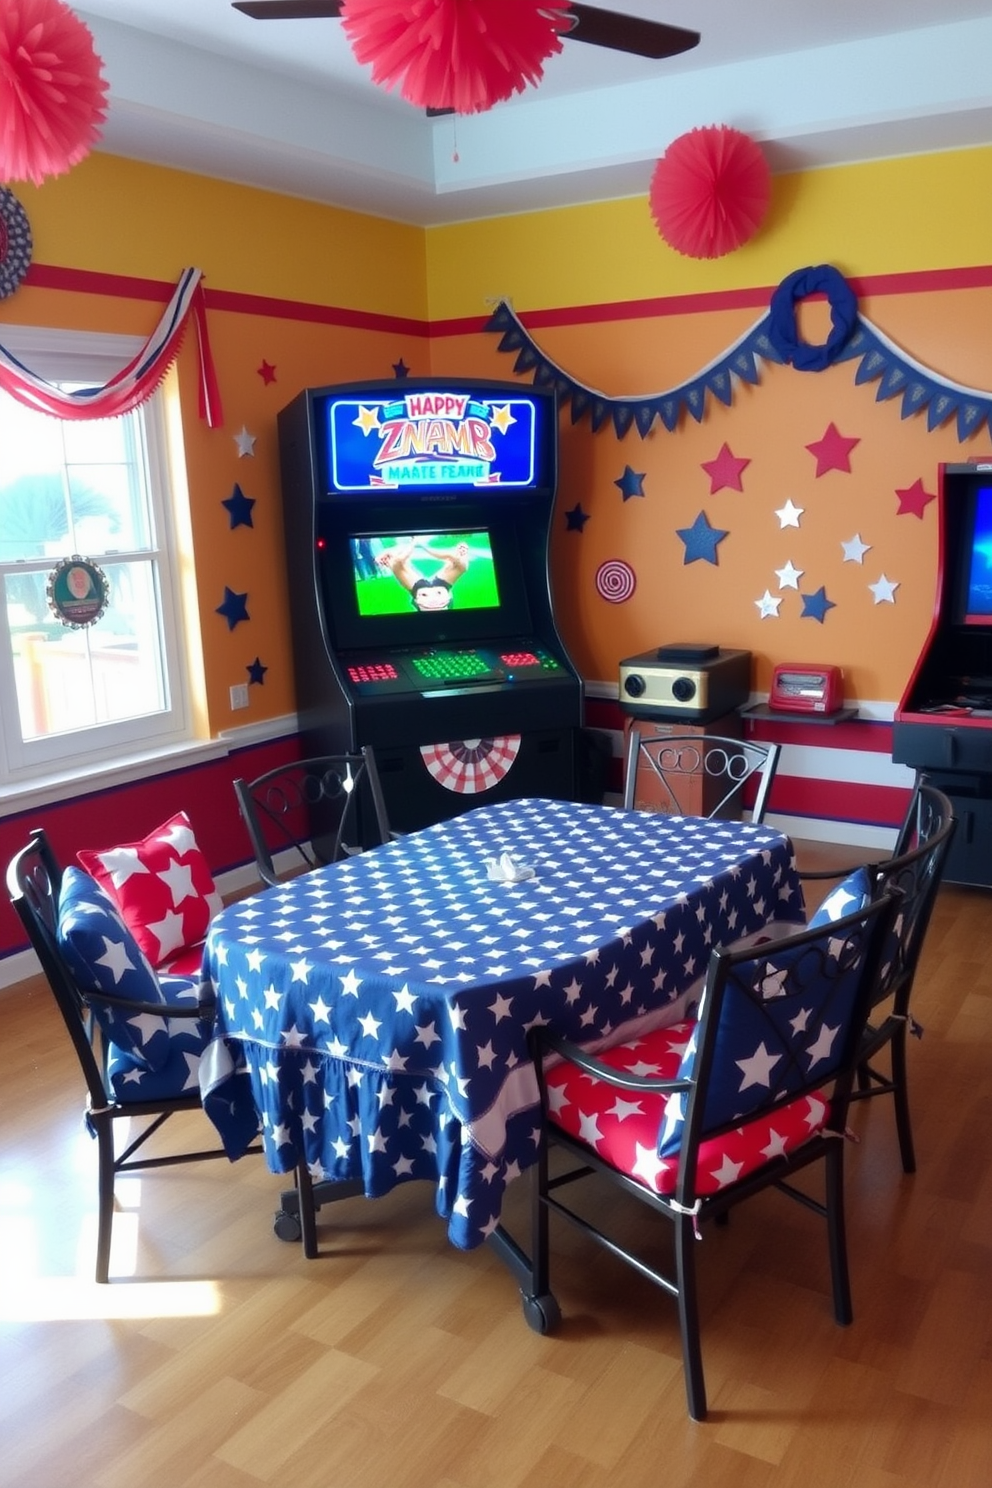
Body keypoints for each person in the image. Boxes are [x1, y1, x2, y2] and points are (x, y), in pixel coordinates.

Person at [376, 537, 470, 611]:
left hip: (435, 601)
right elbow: (400, 557)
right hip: (431, 600)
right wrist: (416, 544)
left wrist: (417, 543)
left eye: (463, 549)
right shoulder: (398, 565)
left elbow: (448, 556)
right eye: (460, 548)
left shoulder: (461, 565)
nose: (461, 551)